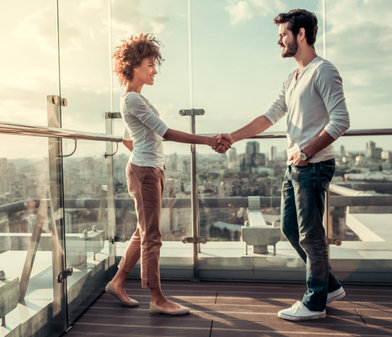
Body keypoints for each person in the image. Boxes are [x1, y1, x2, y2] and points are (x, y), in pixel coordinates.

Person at [217, 9, 350, 320]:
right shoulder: (292, 78)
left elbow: (341, 120)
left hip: (313, 165)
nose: (279, 40)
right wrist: (232, 137)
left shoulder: (324, 71)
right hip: (297, 167)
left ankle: (315, 302)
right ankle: (328, 285)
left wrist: (306, 152)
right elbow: (268, 117)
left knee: (310, 235)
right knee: (291, 228)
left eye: (284, 34)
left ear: (301, 34)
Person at [105, 33, 228, 315]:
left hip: (150, 169)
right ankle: (157, 297)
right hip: (146, 172)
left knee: (143, 231)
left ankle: (118, 282)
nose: (154, 69)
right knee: (152, 236)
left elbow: (128, 139)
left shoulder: (136, 100)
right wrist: (209, 140)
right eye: (150, 64)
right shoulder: (132, 100)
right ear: (135, 65)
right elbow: (166, 132)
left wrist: (145, 155)